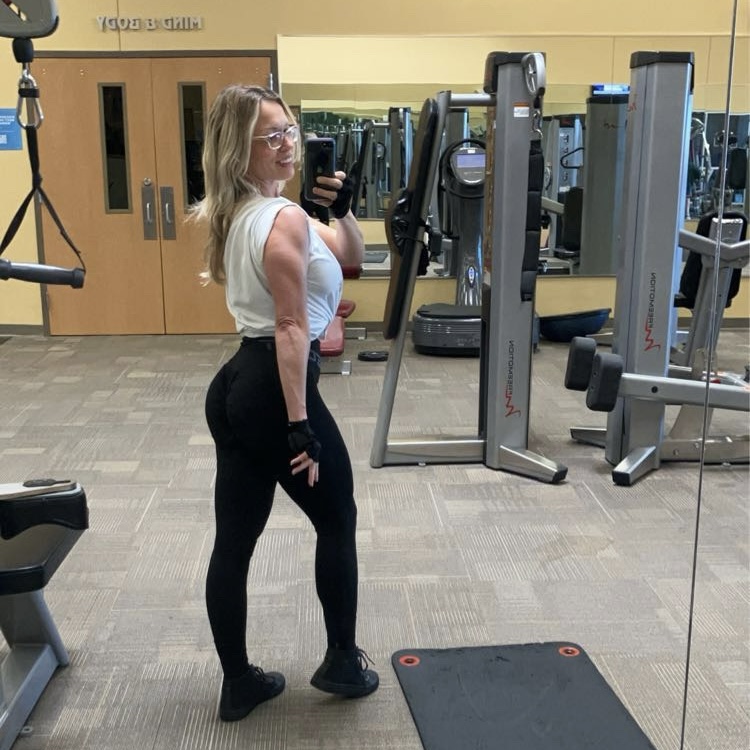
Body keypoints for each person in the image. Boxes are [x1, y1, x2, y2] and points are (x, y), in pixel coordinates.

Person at [194, 84, 378, 723]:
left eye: (290, 131)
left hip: (236, 389)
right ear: (237, 151)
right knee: (338, 516)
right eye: (270, 136)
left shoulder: (255, 212)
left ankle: (238, 683)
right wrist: (300, 426)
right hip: (275, 390)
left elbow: (351, 255)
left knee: (235, 541)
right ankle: (342, 662)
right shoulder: (283, 218)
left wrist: (343, 211)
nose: (287, 144)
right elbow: (292, 327)